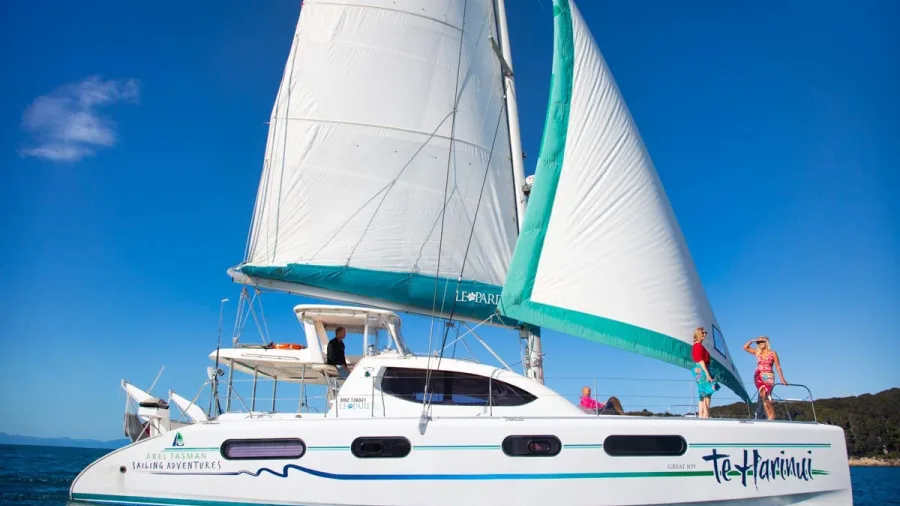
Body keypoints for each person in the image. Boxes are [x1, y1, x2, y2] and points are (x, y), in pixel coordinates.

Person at [743, 336, 786, 420]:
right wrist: (753, 340)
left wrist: (782, 378)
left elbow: (778, 366)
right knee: (763, 397)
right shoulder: (757, 353)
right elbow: (745, 347)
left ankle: (772, 414)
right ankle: (769, 417)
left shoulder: (773, 353)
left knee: (766, 395)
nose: (760, 343)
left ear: (766, 342)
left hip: (768, 375)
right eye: (759, 342)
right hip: (758, 376)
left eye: (762, 341)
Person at [691, 327, 715, 418]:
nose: (705, 334)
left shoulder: (697, 346)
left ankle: (701, 415)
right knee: (708, 392)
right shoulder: (698, 346)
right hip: (703, 370)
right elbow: (700, 361)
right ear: (698, 334)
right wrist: (708, 374)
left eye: (705, 333)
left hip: (699, 371)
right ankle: (705, 416)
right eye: (703, 333)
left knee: (702, 393)